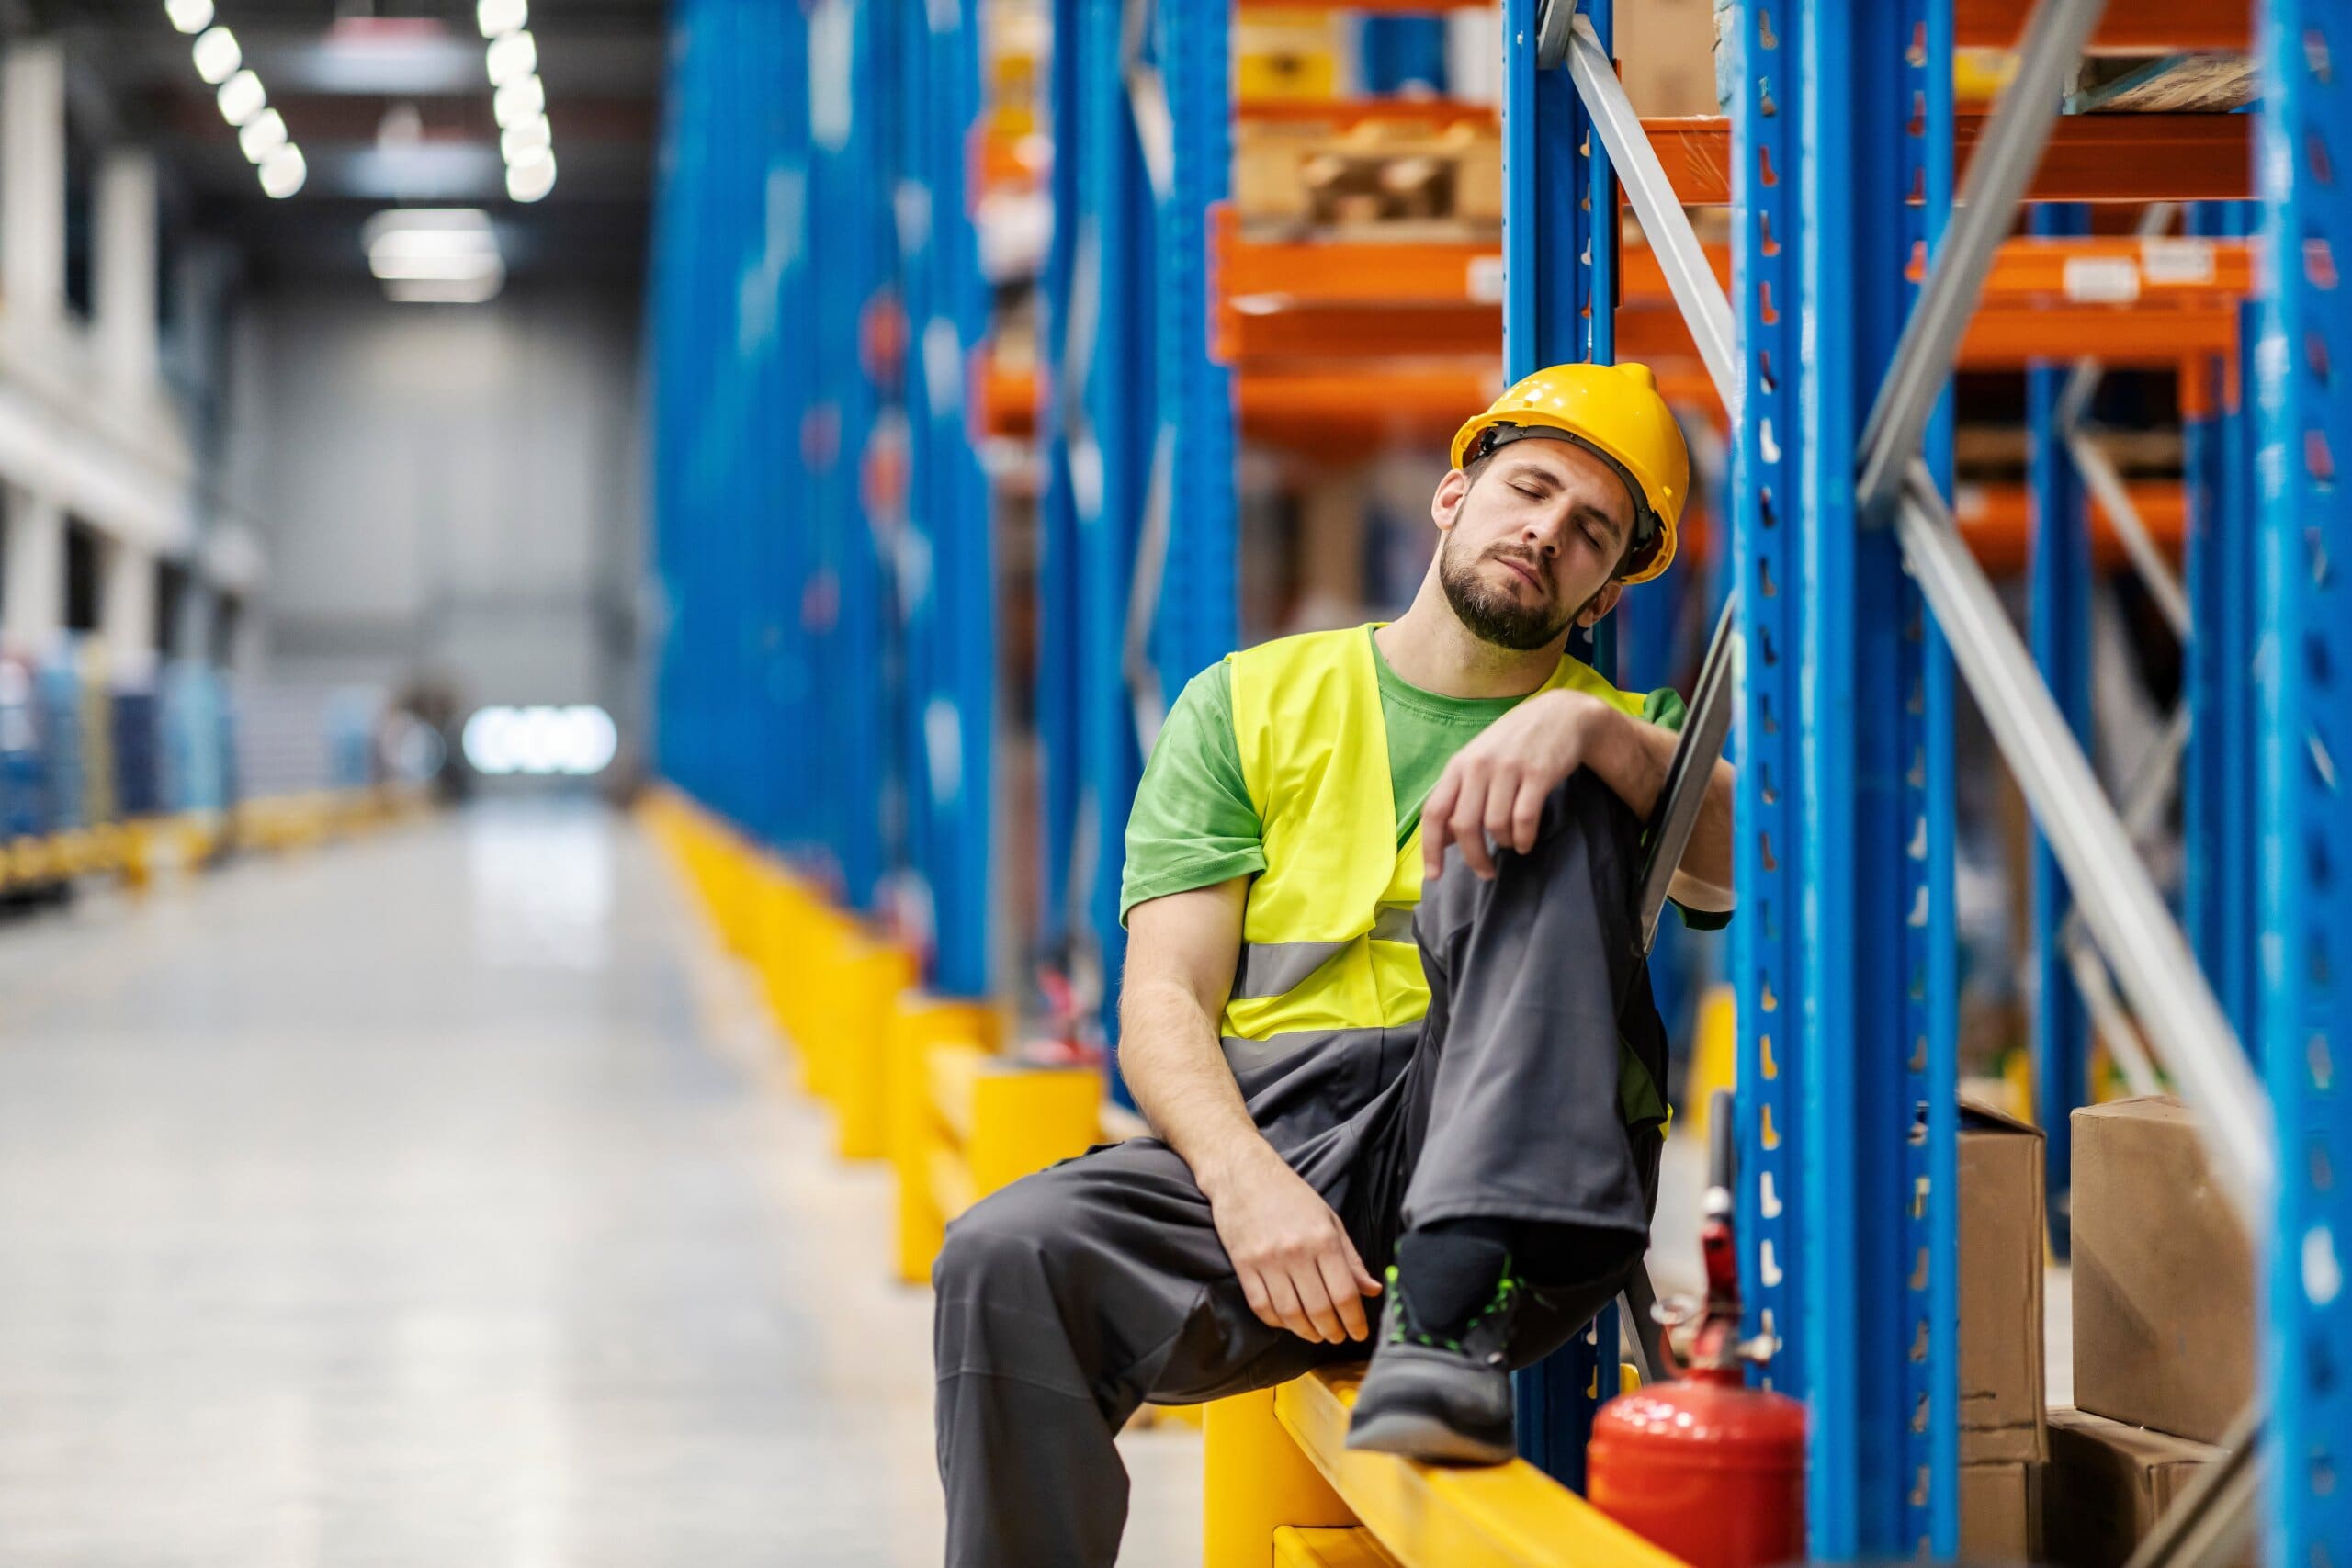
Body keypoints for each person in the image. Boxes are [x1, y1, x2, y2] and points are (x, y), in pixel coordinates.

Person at [933, 362, 1736, 1568]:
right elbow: (1161, 1001)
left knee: (1559, 785)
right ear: (1453, 494)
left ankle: (1453, 1304)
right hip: (1285, 1142)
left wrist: (1589, 728)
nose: (1545, 535)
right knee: (1005, 1257)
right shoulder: (1248, 704)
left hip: (1510, 1177)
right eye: (1528, 491)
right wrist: (1246, 1184)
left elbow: (1748, 865)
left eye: (1590, 534)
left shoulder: (1625, 737)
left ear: (1604, 594)